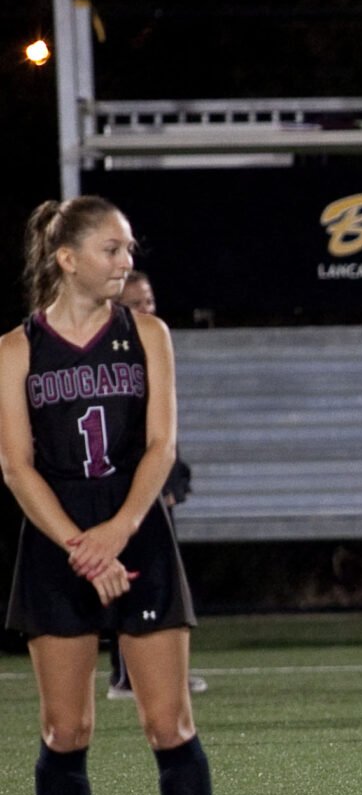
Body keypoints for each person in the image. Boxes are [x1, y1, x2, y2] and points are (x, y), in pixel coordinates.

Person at [2, 197, 222, 795]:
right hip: (59, 549)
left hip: (139, 540)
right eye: (110, 249)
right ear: (66, 258)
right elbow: (16, 467)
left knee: (169, 723)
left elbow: (160, 446)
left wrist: (118, 534)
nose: (125, 261)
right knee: (66, 729)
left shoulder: (149, 335)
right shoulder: (15, 349)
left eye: (128, 248)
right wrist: (79, 547)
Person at [107, 270, 206, 697]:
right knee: (132, 580)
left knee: (159, 582)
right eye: (135, 305)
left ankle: (155, 674)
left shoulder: (153, 346)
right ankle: (130, 675)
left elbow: (164, 434)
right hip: (124, 491)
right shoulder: (112, 359)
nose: (146, 312)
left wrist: (173, 478)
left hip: (152, 486)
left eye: (149, 302)